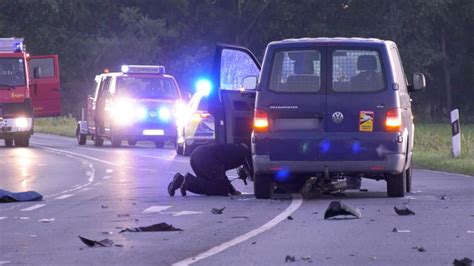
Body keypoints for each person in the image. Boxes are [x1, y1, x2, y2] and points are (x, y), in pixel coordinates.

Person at [168, 143, 252, 197]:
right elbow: (252, 171)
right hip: (205, 158)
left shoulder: (233, 148)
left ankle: (180, 180)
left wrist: (232, 190)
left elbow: (221, 172)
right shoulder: (244, 153)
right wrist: (232, 191)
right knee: (221, 189)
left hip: (196, 155)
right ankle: (189, 181)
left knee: (206, 182)